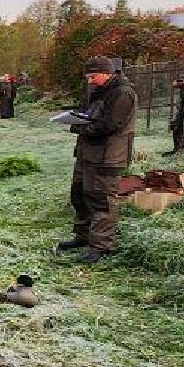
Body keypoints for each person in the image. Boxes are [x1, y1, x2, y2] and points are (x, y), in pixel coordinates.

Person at [57, 56, 137, 265]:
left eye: (93, 77)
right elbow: (89, 114)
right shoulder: (98, 90)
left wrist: (77, 127)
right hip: (87, 153)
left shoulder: (122, 93)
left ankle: (101, 246)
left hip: (108, 156)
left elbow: (110, 125)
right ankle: (82, 237)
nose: (89, 81)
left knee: (101, 200)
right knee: (79, 194)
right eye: (87, 77)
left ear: (107, 73)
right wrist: (74, 116)